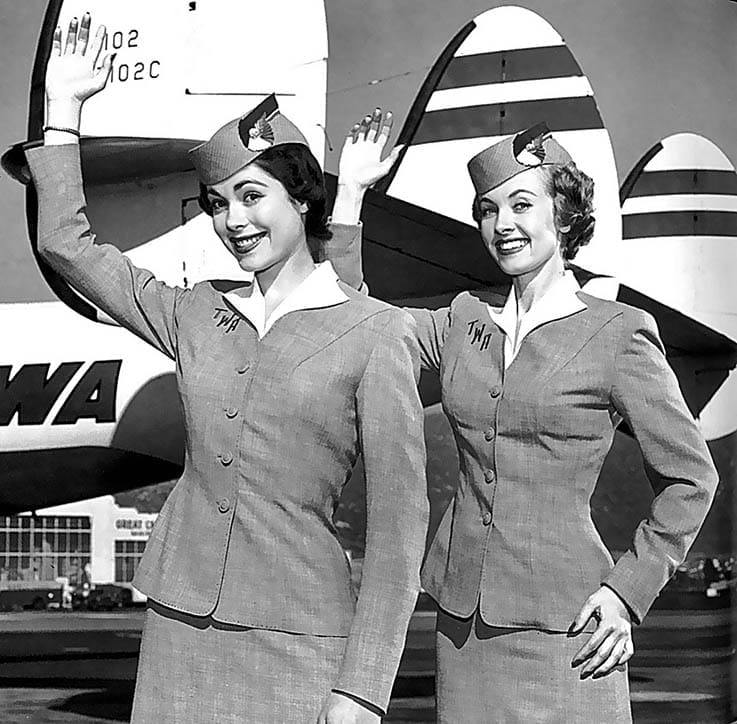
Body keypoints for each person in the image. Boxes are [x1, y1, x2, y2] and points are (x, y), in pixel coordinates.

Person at [25, 16, 428, 723]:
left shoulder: (374, 331)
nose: (231, 220)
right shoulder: (194, 314)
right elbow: (69, 245)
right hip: (180, 627)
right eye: (217, 203)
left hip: (301, 638)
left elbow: (400, 524)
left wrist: (363, 687)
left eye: (251, 196)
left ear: (302, 199)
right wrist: (64, 114)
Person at [330, 112, 719, 722]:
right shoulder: (463, 318)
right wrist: (350, 195)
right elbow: (354, 325)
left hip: (572, 630)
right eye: (487, 209)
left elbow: (693, 478)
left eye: (521, 204)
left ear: (563, 216)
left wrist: (627, 593)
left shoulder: (618, 334)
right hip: (463, 628)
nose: (502, 224)